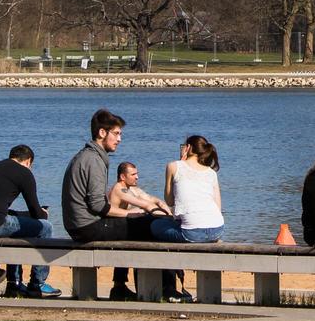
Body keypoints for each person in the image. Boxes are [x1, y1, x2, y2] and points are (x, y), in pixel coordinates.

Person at [62, 108, 171, 301]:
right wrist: (130, 215)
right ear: (102, 133)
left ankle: (122, 286)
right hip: (86, 227)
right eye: (116, 133)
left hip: (79, 225)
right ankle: (159, 288)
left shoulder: (86, 155)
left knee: (136, 225)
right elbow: (98, 206)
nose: (119, 139)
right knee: (151, 225)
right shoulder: (93, 160)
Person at [0, 144, 61, 299]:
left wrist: (25, 215)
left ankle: (14, 284)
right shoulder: (24, 173)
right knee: (46, 227)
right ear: (28, 161)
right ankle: (38, 284)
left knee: (16, 227)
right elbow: (36, 212)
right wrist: (44, 213)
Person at [148, 135, 224, 303]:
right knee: (175, 223)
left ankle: (166, 284)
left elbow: (169, 201)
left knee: (155, 225)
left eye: (183, 145)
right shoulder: (211, 172)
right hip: (217, 229)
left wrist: (180, 162)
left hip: (191, 233)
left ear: (188, 148)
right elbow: (218, 206)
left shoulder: (173, 166)